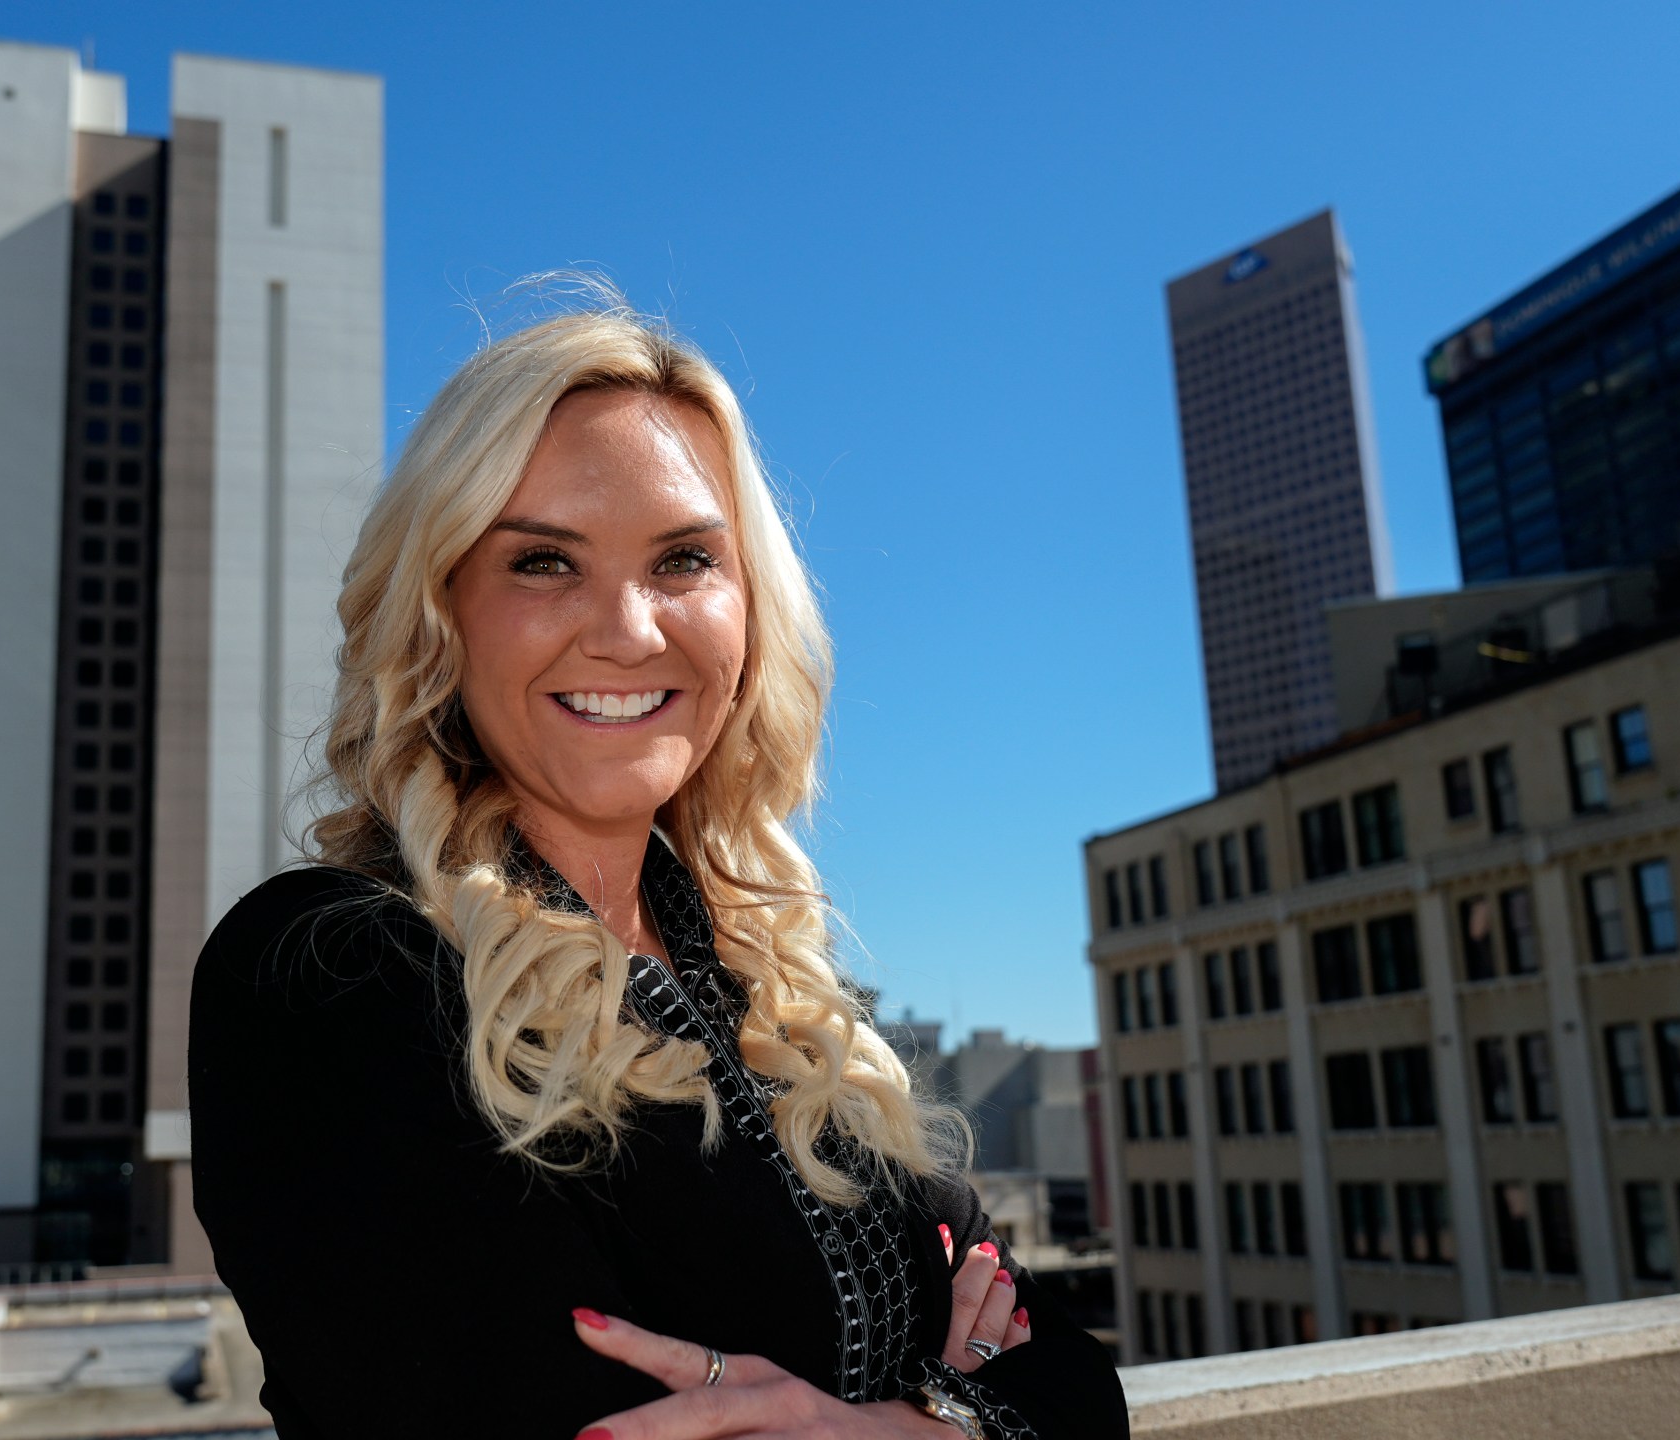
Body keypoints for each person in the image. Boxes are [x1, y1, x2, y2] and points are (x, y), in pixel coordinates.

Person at [188, 299, 1129, 1439]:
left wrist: (899, 1428)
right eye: (542, 562)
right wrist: (957, 1399)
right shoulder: (330, 969)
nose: (628, 630)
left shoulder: (772, 985)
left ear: (747, 615)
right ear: (440, 615)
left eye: (684, 559)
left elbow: (1075, 1382)